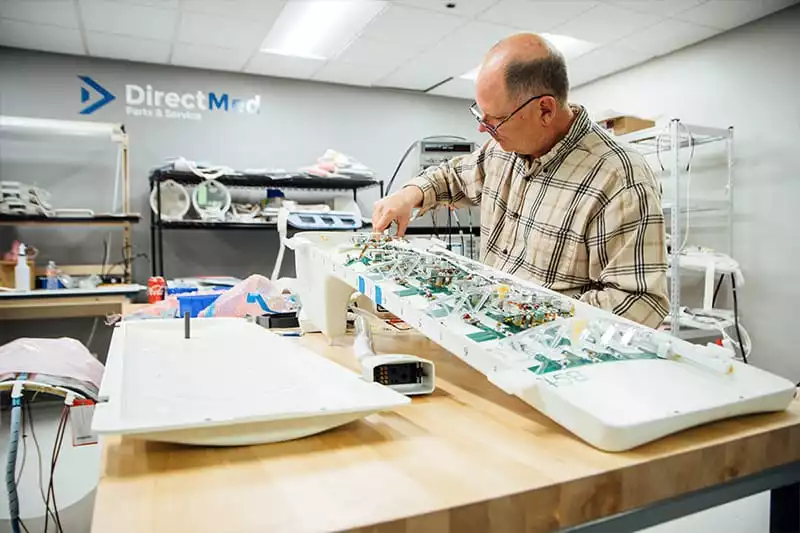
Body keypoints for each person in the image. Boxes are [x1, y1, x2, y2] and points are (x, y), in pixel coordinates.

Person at [371, 33, 668, 328]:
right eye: (480, 115)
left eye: (495, 120)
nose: (483, 129)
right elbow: (451, 177)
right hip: (488, 333)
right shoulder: (503, 151)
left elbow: (641, 303)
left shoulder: (619, 179)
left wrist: (526, 314)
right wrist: (407, 195)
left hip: (551, 358)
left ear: (545, 109)